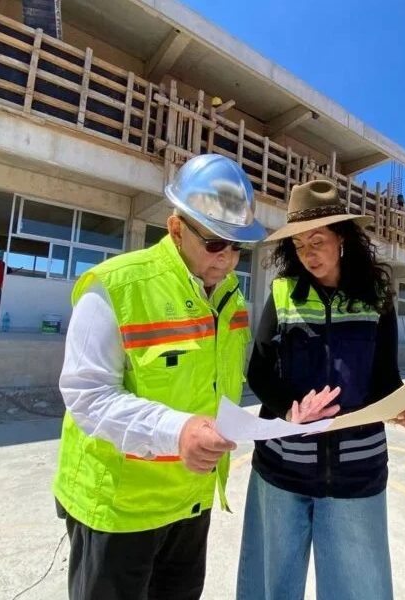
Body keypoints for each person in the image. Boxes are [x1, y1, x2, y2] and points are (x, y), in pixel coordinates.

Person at [52, 154, 267, 600]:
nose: (227, 261)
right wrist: (178, 431)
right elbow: (88, 395)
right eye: (215, 244)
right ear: (175, 228)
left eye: (237, 248)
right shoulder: (115, 287)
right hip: (119, 509)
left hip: (190, 501)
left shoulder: (230, 299)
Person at [236, 179, 405, 600]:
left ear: (342, 238)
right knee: (269, 587)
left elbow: (385, 379)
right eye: (299, 245)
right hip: (282, 467)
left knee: (357, 590)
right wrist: (291, 410)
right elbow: (260, 373)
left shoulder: (376, 298)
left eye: (318, 241)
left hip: (357, 472)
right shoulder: (282, 293)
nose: (308, 254)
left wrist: (403, 406)